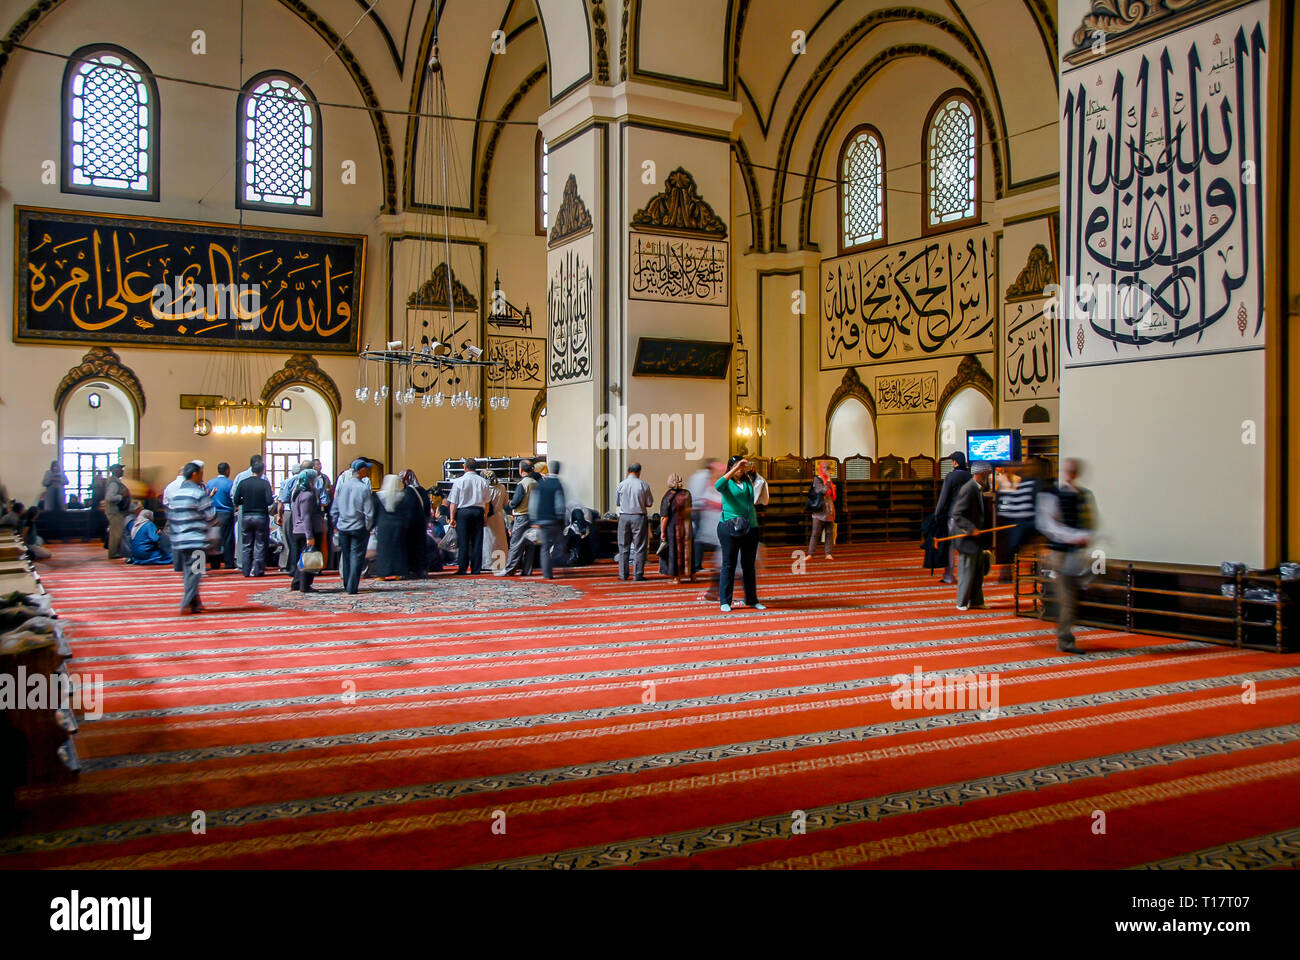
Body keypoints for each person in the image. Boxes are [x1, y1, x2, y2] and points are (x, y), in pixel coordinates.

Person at [1037, 458, 1096, 654]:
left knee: (1073, 597)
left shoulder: (1084, 495)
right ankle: (1065, 641)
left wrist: (1086, 537)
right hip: (1061, 553)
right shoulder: (1053, 495)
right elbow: (1050, 526)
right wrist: (1076, 537)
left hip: (1077, 554)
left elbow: (1090, 522)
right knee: (1067, 598)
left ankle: (1064, 633)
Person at [715, 456, 765, 613]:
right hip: (730, 527)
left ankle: (752, 599)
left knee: (749, 566)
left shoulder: (747, 481)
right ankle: (725, 601)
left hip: (750, 526)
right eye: (738, 467)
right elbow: (718, 485)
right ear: (731, 467)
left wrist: (755, 475)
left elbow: (758, 495)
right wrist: (735, 469)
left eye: (743, 467)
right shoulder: (727, 482)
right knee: (728, 565)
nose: (741, 469)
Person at [168, 462, 216, 615]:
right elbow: (211, 516)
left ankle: (196, 603)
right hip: (197, 540)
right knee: (196, 572)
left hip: (180, 540)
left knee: (188, 572)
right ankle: (187, 602)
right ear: (195, 474)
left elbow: (172, 518)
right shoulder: (198, 494)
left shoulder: (176, 495)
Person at [950, 461, 992, 611]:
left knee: (977, 572)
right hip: (966, 539)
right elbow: (957, 513)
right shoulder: (969, 489)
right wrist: (971, 528)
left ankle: (976, 601)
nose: (990, 477)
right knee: (967, 571)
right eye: (988, 474)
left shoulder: (977, 489)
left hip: (975, 539)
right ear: (981, 474)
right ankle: (961, 602)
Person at [331, 459, 374, 594]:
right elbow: (369, 512)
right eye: (365, 469)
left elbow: (335, 508)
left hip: (343, 527)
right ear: (360, 471)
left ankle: (346, 583)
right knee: (357, 556)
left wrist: (335, 524)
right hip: (358, 527)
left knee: (346, 555)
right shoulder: (363, 488)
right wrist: (368, 527)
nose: (367, 471)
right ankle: (352, 586)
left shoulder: (343, 486)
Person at [932, 451, 972, 584]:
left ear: (955, 462)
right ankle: (967, 576)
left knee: (949, 547)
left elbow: (943, 497)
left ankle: (949, 576)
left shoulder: (951, 476)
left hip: (953, 516)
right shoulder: (970, 476)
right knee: (965, 546)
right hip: (968, 516)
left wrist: (937, 514)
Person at [995, 463, 1039, 583]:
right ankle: (1007, 573)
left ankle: (1031, 570)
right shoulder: (1004, 480)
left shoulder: (1020, 480)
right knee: (1009, 546)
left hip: (1017, 519)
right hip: (1011, 519)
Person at [446, 458, 491, 575]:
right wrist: (485, 516)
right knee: (477, 541)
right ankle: (476, 569)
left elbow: (453, 502)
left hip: (463, 512)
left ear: (465, 467)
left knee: (463, 541)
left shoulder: (459, 481)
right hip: (478, 512)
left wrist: (452, 517)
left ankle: (463, 568)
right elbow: (487, 502)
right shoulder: (483, 481)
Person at [689, 459, 724, 599]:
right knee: (722, 563)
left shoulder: (722, 487)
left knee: (725, 563)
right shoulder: (710, 486)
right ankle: (715, 591)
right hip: (716, 530)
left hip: (724, 529)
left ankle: (716, 591)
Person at [233, 458, 274, 577]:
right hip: (261, 515)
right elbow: (269, 500)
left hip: (246, 515)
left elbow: (236, 500)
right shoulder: (264, 483)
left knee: (247, 544)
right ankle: (258, 570)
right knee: (260, 544)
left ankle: (245, 570)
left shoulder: (243, 483)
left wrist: (245, 502)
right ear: (262, 471)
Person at [498, 460, 538, 577]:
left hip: (522, 516)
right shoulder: (536, 483)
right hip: (533, 517)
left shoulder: (523, 483)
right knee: (530, 544)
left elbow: (515, 502)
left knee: (516, 544)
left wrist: (509, 505)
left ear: (521, 470)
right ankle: (527, 570)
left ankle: (510, 569)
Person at [528, 459, 567, 579]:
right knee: (561, 546)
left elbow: (533, 503)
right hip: (554, 521)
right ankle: (557, 563)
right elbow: (559, 503)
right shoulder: (558, 484)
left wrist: (533, 519)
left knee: (544, 547)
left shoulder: (541, 484)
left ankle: (547, 573)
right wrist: (561, 518)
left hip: (541, 521)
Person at [615, 463, 653, 581]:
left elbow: (617, 503)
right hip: (639, 517)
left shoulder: (621, 485)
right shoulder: (643, 485)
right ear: (639, 471)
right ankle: (638, 574)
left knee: (623, 546)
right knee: (639, 547)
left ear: (628, 471)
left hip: (624, 517)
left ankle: (623, 574)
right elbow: (649, 503)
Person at [289, 467, 325, 592]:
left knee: (302, 557)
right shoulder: (308, 495)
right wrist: (310, 536)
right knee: (308, 558)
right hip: (306, 531)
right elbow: (306, 516)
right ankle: (305, 585)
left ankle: (297, 582)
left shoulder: (296, 493)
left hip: (298, 530)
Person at [372, 474, 411, 580]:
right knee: (399, 550)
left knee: (384, 550)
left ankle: (382, 573)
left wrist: (372, 526)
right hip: (399, 526)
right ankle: (399, 573)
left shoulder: (379, 496)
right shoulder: (403, 496)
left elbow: (375, 512)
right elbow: (406, 513)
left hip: (384, 526)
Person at [658, 473, 694, 582]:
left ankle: (677, 577)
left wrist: (662, 531)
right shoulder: (687, 494)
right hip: (687, 526)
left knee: (674, 551)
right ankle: (691, 575)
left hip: (673, 527)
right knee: (689, 550)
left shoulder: (668, 496)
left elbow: (665, 516)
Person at [205, 462, 236, 569]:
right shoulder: (230, 483)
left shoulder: (209, 483)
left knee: (215, 539)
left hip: (213, 514)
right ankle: (228, 563)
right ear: (227, 470)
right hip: (226, 513)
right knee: (227, 539)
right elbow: (233, 499)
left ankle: (215, 563)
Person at [400, 470, 430, 578]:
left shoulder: (406, 492)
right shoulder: (422, 490)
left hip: (409, 524)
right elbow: (427, 507)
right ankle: (421, 569)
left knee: (410, 547)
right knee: (421, 546)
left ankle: (410, 569)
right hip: (421, 522)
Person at [480, 469, 510, 572]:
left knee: (488, 541)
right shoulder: (502, 487)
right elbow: (506, 503)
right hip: (499, 516)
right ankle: (501, 563)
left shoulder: (484, 488)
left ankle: (487, 563)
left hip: (487, 516)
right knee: (500, 541)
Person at [807, 462, 837, 560]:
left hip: (829, 510)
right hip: (819, 511)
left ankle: (828, 553)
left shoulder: (830, 481)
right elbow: (823, 491)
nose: (826, 469)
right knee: (815, 533)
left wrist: (831, 484)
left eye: (828, 467)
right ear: (820, 468)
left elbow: (833, 495)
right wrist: (828, 481)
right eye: (824, 467)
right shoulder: (817, 479)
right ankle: (810, 554)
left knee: (829, 533)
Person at [104, 464, 132, 559]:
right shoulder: (114, 483)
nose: (122, 471)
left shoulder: (115, 481)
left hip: (115, 511)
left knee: (116, 532)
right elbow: (110, 497)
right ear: (116, 471)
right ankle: (114, 553)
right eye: (121, 469)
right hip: (115, 511)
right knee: (116, 533)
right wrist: (122, 496)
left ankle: (115, 552)